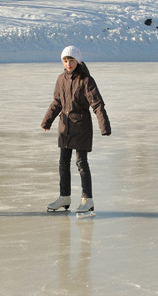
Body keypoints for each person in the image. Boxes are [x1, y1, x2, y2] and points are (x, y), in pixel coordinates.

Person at [41, 45, 111, 215]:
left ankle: (87, 199)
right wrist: (47, 121)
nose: (68, 63)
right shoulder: (61, 79)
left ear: (77, 60)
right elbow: (57, 102)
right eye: (65, 60)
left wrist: (104, 126)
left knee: (81, 163)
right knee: (63, 163)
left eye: (71, 60)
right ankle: (64, 197)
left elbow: (97, 104)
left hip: (81, 126)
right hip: (64, 127)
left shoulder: (86, 80)